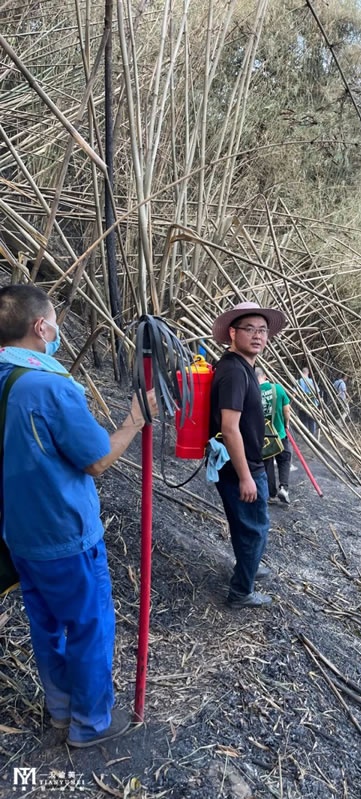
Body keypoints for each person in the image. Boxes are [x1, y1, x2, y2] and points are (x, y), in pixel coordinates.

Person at [0, 284, 158, 748]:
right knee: (89, 627)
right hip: (65, 533)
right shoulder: (49, 387)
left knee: (46, 624)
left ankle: (61, 711)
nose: (57, 331)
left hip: (20, 534)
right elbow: (95, 460)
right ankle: (91, 723)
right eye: (55, 323)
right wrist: (135, 420)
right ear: (39, 327)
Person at [209, 301, 287, 609]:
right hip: (241, 466)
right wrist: (245, 476)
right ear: (232, 332)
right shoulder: (234, 372)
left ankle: (249, 567)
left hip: (242, 463)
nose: (257, 336)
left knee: (246, 525)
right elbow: (230, 428)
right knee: (255, 529)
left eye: (263, 330)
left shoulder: (242, 367)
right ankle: (242, 591)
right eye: (249, 329)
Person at [255, 367, 292, 505]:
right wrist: (286, 423)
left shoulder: (252, 391)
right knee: (284, 458)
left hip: (263, 436)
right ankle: (283, 487)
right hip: (279, 433)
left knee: (267, 463)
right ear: (265, 377)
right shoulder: (277, 389)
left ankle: (271, 494)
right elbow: (286, 410)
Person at [296, 366, 319, 437]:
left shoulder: (298, 382)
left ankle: (305, 435)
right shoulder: (312, 381)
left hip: (302, 405)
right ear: (308, 373)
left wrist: (290, 403)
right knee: (311, 420)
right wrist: (319, 404)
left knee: (304, 420)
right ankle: (312, 435)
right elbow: (317, 393)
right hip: (312, 404)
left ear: (301, 373)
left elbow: (294, 393)